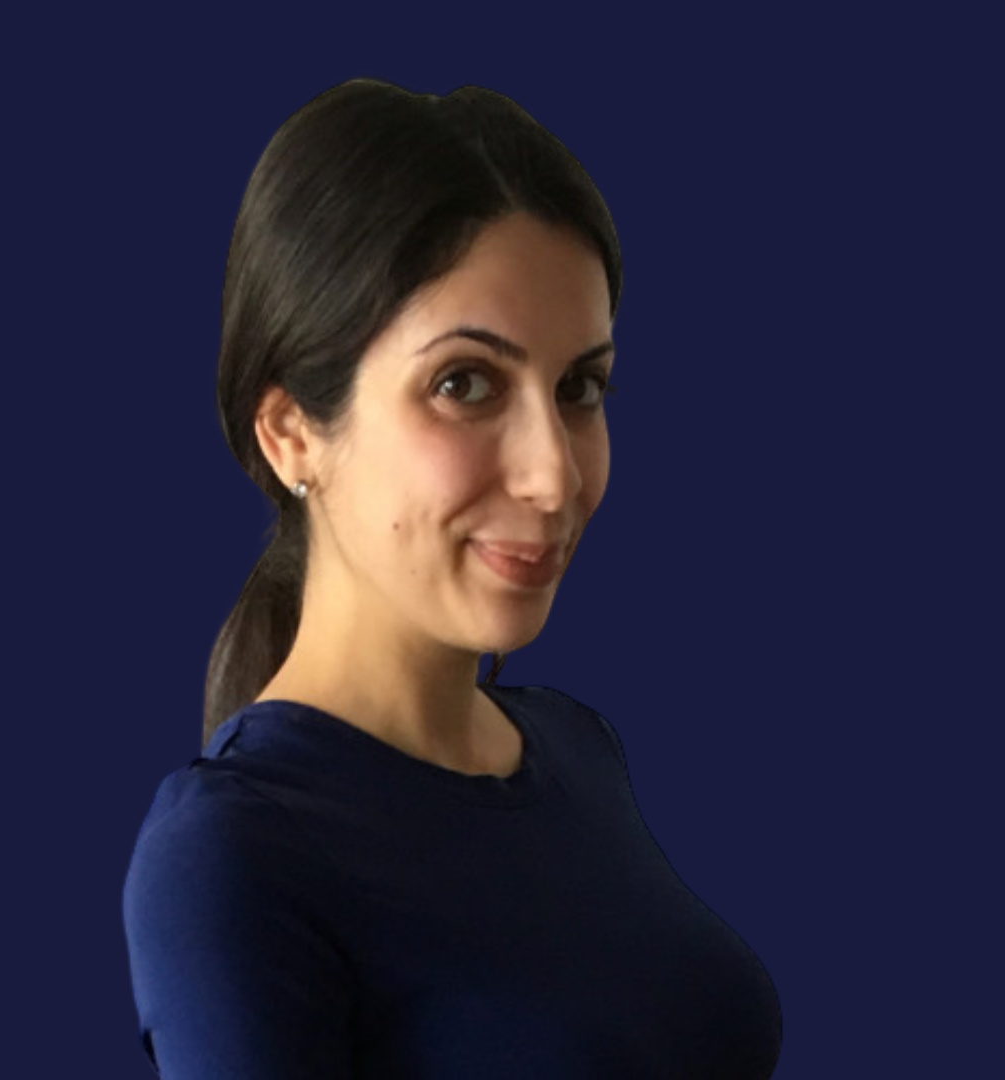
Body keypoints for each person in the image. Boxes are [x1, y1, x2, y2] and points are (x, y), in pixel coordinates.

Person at [121, 77, 783, 1078]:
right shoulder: (233, 854)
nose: (554, 475)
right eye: (464, 384)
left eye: (580, 387)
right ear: (292, 430)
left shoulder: (577, 747)